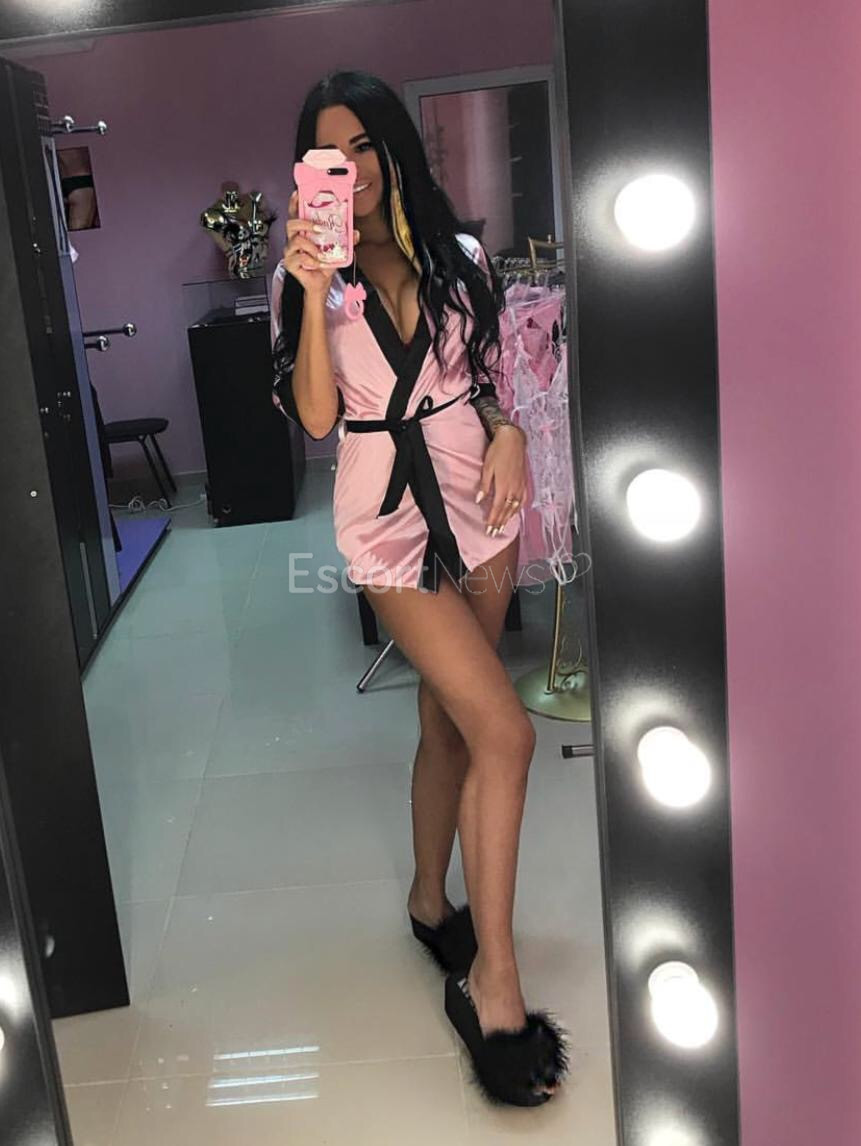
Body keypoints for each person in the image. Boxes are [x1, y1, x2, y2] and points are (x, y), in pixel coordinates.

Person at [271, 70, 568, 1106]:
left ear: (394, 147)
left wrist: (511, 432)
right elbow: (316, 418)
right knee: (506, 733)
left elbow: (486, 380)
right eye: (328, 153)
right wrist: (314, 291)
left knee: (448, 723)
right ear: (307, 170)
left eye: (363, 146)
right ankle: (493, 980)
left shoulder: (461, 258)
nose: (348, 170)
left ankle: (427, 902)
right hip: (385, 520)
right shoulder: (304, 276)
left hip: (479, 500)